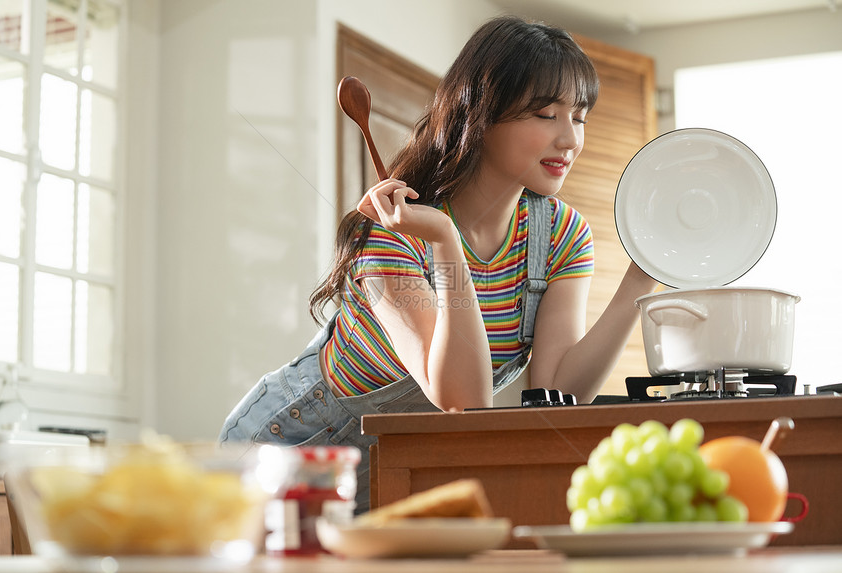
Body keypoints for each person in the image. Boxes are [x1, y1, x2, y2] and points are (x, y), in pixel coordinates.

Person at [220, 15, 658, 512]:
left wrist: (646, 271)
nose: (570, 140)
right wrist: (446, 242)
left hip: (410, 469)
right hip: (291, 452)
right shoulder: (392, 232)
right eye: (544, 115)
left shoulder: (560, 234)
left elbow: (557, 390)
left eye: (578, 117)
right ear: (483, 113)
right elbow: (461, 400)